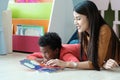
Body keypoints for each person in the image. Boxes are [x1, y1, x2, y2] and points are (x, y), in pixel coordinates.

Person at [45, 1, 120, 71]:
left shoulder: (104, 30)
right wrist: (102, 63)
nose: (75, 22)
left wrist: (66, 64)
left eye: (78, 19)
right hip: (106, 68)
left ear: (90, 18)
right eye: (74, 19)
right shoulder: (82, 32)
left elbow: (95, 63)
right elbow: (93, 60)